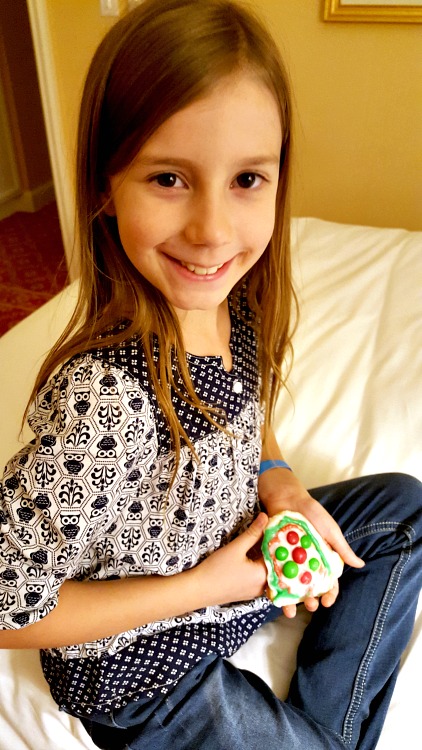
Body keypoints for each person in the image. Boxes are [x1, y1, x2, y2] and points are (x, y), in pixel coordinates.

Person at [0, 1, 420, 748]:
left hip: (233, 557)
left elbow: (245, 416)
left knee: (403, 512)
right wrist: (209, 587)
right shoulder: (105, 397)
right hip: (141, 666)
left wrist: (282, 486)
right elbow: (8, 604)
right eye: (168, 178)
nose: (213, 232)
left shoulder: (238, 302)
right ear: (105, 184)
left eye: (247, 180)